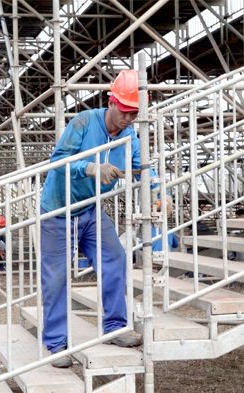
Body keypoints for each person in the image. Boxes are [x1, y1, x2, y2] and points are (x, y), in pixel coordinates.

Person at [40, 70, 170, 368]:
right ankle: (57, 344)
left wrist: (159, 191)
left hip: (91, 210)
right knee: (57, 278)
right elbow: (58, 160)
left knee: (114, 259)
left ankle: (115, 327)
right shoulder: (84, 122)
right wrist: (91, 169)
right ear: (111, 102)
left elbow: (143, 167)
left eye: (133, 114)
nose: (127, 119)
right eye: (124, 111)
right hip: (58, 211)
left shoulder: (129, 137)